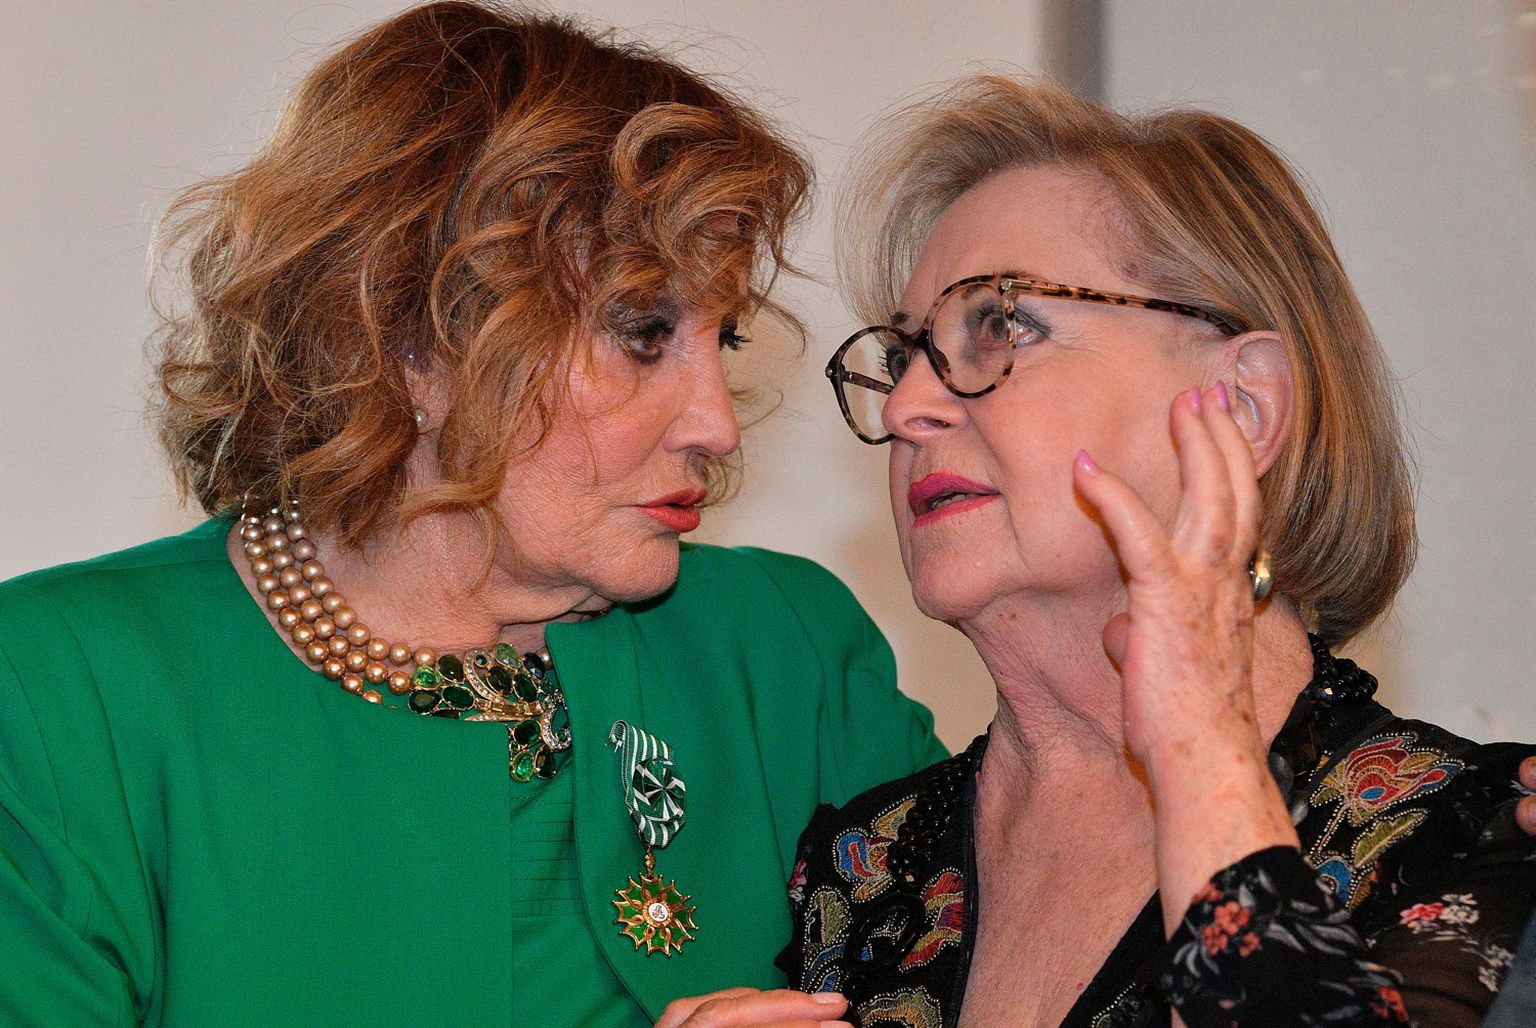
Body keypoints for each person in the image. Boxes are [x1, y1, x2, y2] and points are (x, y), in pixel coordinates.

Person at [0, 5, 947, 1025]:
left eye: (724, 340)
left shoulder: (785, 649)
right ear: (413, 342)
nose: (717, 425)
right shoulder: (60, 693)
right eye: (643, 332)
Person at [755, 77, 1536, 1027]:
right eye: (903, 355)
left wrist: (1198, 743)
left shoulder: (1479, 836)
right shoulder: (866, 873)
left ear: (1243, 405)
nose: (908, 406)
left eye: (1000, 324)